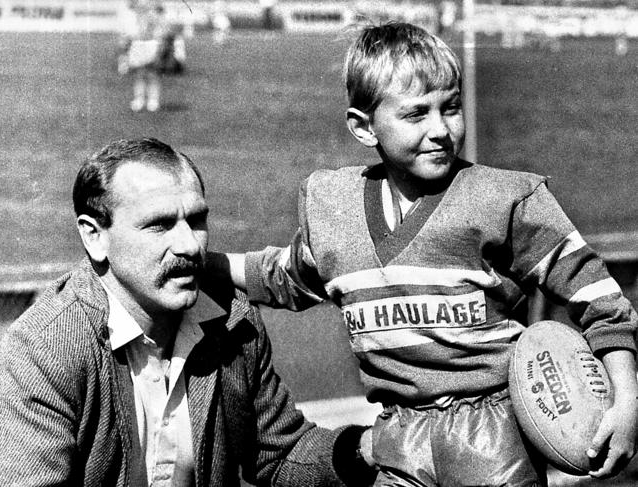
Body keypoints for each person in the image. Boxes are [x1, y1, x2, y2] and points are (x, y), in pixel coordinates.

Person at [211, 22, 638, 486]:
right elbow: (284, 276)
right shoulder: (334, 207)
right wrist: (202, 263)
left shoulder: (503, 200)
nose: (440, 130)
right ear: (363, 126)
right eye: (417, 114)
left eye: (450, 107)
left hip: (492, 434)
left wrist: (627, 399)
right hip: (398, 435)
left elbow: (600, 298)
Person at [0, 138, 376, 486]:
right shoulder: (45, 350)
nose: (189, 245)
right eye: (159, 225)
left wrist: (368, 451)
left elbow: (281, 455)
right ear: (95, 236)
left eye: (197, 220)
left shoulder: (233, 324)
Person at [121, 0, 171, 112]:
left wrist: (161, 40)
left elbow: (162, 22)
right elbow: (130, 6)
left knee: (153, 73)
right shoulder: (136, 8)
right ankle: (139, 99)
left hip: (152, 42)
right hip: (138, 42)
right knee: (139, 73)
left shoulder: (156, 9)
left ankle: (153, 100)